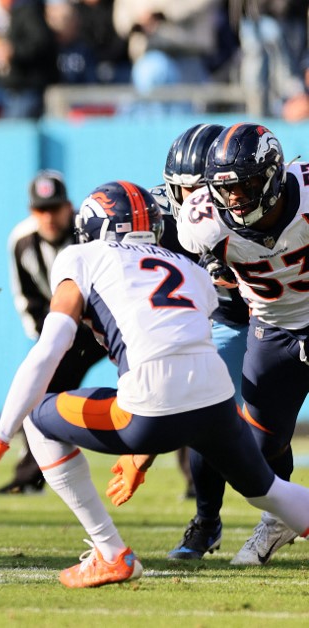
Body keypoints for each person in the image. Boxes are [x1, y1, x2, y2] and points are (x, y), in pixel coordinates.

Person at [0, 180, 309, 588]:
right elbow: (175, 356)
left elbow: (50, 347)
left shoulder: (81, 256)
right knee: (266, 491)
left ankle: (110, 552)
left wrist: (0, 436)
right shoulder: (189, 269)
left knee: (38, 420)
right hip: (215, 398)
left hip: (149, 406)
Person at [176, 122, 309, 565]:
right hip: (272, 331)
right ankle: (281, 518)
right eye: (225, 189)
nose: (233, 199)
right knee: (254, 451)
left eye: (245, 185)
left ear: (272, 176)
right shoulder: (202, 220)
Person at [156, 122, 254, 560]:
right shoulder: (165, 221)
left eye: (200, 189)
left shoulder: (263, 203)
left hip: (291, 317)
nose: (191, 201)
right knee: (203, 415)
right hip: (232, 322)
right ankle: (206, 521)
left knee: (271, 434)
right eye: (183, 190)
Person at [0, 170, 106, 495]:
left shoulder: (89, 233)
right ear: (32, 211)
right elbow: (26, 296)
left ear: (68, 207)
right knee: (38, 391)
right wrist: (47, 340)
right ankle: (29, 477)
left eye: (55, 208)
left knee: (164, 381)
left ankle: (195, 480)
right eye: (41, 210)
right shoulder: (22, 240)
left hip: (107, 323)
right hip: (63, 328)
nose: (49, 217)